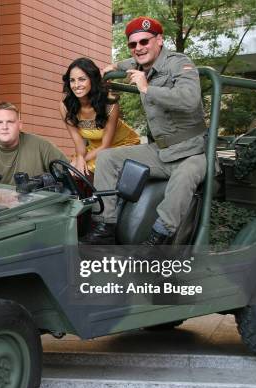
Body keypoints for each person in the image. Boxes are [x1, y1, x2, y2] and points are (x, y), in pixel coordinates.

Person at [83, 16, 207, 245]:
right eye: (133, 44)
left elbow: (190, 99)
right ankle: (105, 225)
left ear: (159, 40)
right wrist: (114, 67)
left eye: (144, 42)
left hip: (192, 151)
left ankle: (158, 238)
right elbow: (128, 63)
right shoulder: (138, 64)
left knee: (185, 177)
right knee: (107, 158)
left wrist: (147, 89)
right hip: (160, 152)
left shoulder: (179, 63)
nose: (139, 48)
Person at [60, 57, 139, 175]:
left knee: (88, 169)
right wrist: (80, 158)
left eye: (82, 79)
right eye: (72, 80)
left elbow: (106, 146)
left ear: (92, 80)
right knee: (70, 171)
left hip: (122, 145)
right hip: (94, 149)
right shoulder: (65, 106)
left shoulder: (110, 104)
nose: (76, 85)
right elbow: (79, 142)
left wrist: (82, 160)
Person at [0, 101, 68, 185]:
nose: (5, 127)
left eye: (10, 122)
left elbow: (68, 174)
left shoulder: (42, 147)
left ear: (20, 125)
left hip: (36, 207)